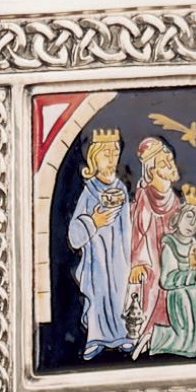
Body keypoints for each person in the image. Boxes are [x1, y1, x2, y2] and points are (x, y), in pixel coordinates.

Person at [67, 130, 131, 359]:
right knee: (99, 294)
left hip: (119, 257)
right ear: (94, 158)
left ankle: (122, 335)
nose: (112, 158)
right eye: (106, 154)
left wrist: (130, 258)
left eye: (115, 153)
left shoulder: (121, 189)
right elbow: (74, 235)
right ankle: (96, 338)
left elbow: (127, 227)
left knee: (119, 293)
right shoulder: (89, 191)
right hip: (97, 257)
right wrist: (94, 221)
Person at [144, 190, 196, 358]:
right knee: (187, 340)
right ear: (178, 217)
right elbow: (166, 280)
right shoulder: (170, 245)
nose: (192, 223)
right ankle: (155, 337)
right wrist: (194, 276)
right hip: (180, 297)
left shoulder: (195, 245)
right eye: (189, 216)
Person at [125, 137, 182, 350]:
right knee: (155, 283)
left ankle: (170, 335)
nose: (170, 165)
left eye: (170, 159)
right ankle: (148, 335)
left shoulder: (173, 199)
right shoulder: (145, 198)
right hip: (151, 259)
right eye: (164, 163)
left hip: (171, 257)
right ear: (152, 170)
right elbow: (138, 234)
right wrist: (138, 263)